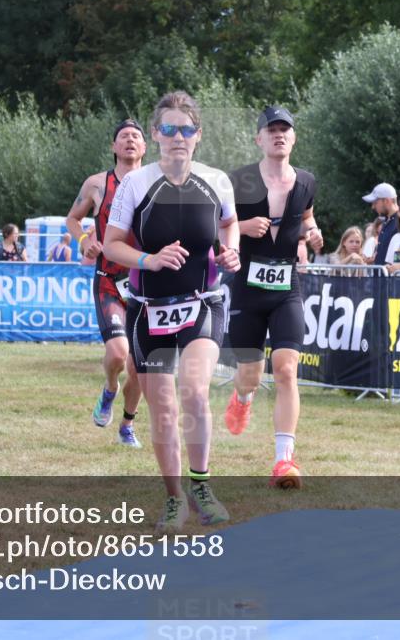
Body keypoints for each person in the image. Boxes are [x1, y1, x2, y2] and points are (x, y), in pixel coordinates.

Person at [104, 91, 240, 530]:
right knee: (162, 407)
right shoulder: (136, 184)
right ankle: (174, 497)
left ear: (198, 135)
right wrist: (150, 260)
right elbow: (112, 245)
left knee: (195, 391)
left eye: (186, 129)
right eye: (168, 129)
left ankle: (201, 485)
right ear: (156, 135)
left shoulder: (216, 180)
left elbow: (228, 223)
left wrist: (231, 250)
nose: (177, 137)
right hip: (148, 310)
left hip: (202, 304)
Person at [223, 106, 322, 488]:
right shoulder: (240, 180)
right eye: (271, 129)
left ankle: (284, 462)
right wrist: (242, 227)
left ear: (293, 138)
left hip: (286, 289)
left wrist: (313, 233)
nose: (279, 134)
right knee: (250, 375)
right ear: (259, 139)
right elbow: (214, 223)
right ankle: (242, 399)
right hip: (247, 289)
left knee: (286, 369)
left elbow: (308, 216)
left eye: (285, 129)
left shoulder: (307, 181)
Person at [65, 118, 147, 448]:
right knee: (117, 355)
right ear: (114, 147)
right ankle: (110, 388)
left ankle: (127, 426)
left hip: (146, 285)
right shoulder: (97, 184)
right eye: (123, 136)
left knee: (142, 366)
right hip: (109, 281)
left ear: (144, 147)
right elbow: (72, 219)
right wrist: (85, 239)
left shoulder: (157, 184)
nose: (129, 140)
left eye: (136, 137)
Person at [362, 183, 399, 264]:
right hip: (381, 275)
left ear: (386, 201)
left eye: (375, 202)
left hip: (392, 276)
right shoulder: (386, 221)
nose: (373, 207)